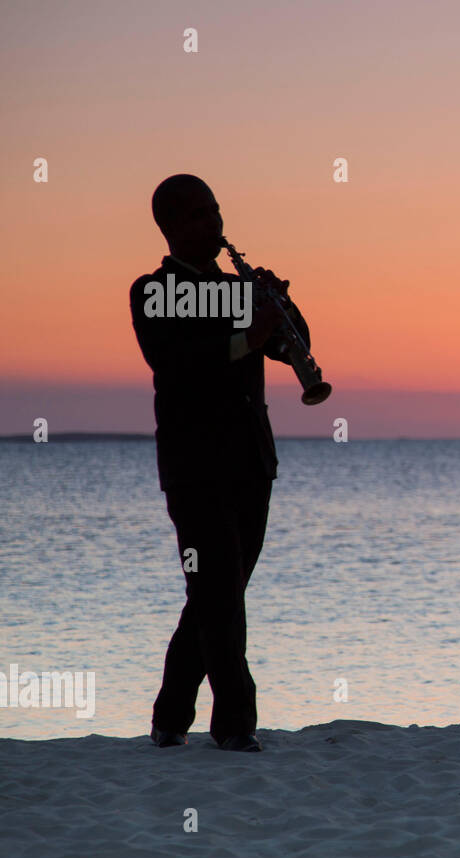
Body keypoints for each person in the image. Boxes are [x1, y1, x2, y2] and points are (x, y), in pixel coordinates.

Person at [130, 174, 309, 752]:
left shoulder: (238, 290)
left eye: (215, 210)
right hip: (194, 468)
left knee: (217, 593)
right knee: (218, 593)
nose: (214, 223)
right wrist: (248, 337)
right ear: (170, 227)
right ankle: (235, 724)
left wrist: (280, 306)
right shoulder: (152, 292)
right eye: (199, 215)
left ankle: (169, 717)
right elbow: (174, 361)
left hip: (251, 462)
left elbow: (293, 346)